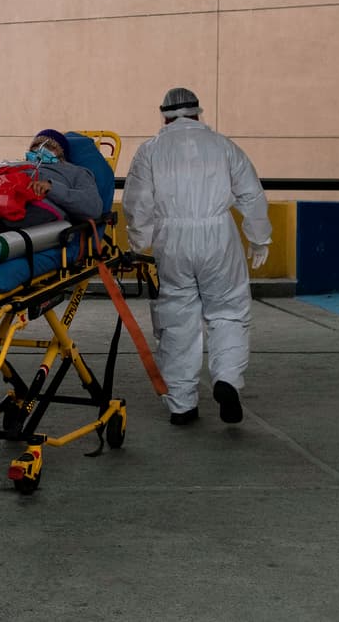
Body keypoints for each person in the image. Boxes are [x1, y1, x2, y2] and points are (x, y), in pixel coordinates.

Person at [122, 87, 271, 426]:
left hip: (171, 240)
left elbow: (137, 203)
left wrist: (138, 243)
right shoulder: (224, 146)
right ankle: (226, 379)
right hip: (219, 237)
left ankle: (182, 405)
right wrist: (259, 238)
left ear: (164, 116)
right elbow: (251, 193)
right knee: (229, 311)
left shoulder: (150, 151)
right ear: (198, 114)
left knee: (177, 319)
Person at [0, 129, 104, 228]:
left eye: (51, 147)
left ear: (62, 155)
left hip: (36, 207)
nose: (40, 150)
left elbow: (93, 207)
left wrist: (52, 188)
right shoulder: (17, 166)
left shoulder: (76, 172)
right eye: (35, 146)